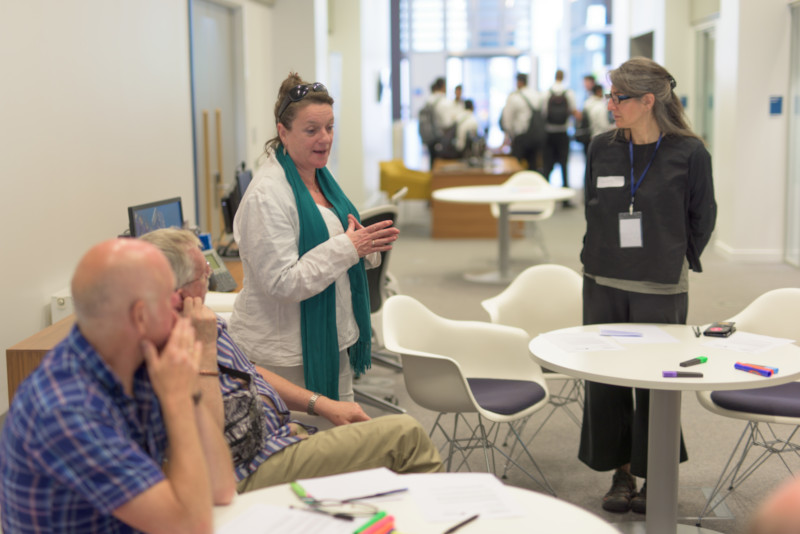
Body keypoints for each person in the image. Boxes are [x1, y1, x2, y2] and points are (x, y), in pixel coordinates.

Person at [140, 228, 443, 491]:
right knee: (406, 435)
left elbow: (248, 371)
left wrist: (320, 403)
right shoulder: (164, 350)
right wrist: (204, 349)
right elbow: (206, 446)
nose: (209, 276)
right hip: (248, 467)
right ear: (177, 294)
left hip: (281, 435)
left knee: (389, 460)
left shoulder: (203, 320)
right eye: (203, 273)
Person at [0, 239, 235, 533]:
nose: (179, 307)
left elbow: (221, 488)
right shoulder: (65, 409)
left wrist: (189, 390)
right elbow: (192, 527)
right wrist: (177, 398)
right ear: (140, 316)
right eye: (168, 298)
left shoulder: (140, 361)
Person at [578, 57, 717, 515]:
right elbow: (593, 206)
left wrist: (675, 255)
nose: (609, 104)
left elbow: (702, 217)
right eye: (609, 95)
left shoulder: (689, 153)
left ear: (648, 101)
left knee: (656, 382)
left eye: (618, 97)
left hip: (659, 284)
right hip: (603, 281)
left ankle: (655, 474)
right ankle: (621, 473)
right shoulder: (602, 146)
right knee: (609, 382)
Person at [229, 72, 400, 404]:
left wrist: (363, 246)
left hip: (333, 335)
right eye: (311, 130)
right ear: (283, 132)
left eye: (330, 127)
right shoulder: (267, 195)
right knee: (313, 446)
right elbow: (282, 283)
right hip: (286, 353)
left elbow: (341, 242)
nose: (325, 138)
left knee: (342, 439)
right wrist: (351, 247)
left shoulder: (319, 177)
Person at [542, 69, 580, 195]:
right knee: (564, 164)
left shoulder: (547, 93)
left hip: (549, 132)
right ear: (563, 77)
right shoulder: (568, 92)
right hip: (563, 132)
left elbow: (543, 113)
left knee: (547, 164)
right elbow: (573, 111)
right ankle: (565, 196)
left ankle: (546, 192)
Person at [501, 72, 544, 173]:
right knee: (533, 167)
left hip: (521, 137)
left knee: (517, 167)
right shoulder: (537, 95)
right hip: (536, 136)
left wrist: (508, 136)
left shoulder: (514, 97)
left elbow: (507, 120)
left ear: (518, 82)